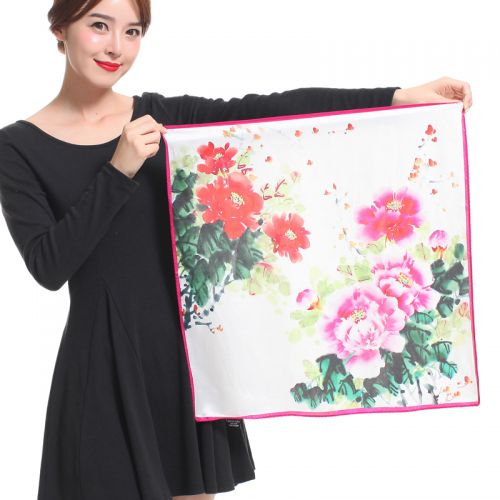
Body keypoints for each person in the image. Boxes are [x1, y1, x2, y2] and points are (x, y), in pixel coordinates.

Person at [0, 0, 473, 499]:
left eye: (132, 31)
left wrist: (396, 97)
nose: (116, 47)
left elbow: (269, 111)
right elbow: (49, 265)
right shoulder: (17, 147)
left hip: (186, 360)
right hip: (103, 363)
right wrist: (118, 170)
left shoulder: (161, 117)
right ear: (60, 28)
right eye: (99, 26)